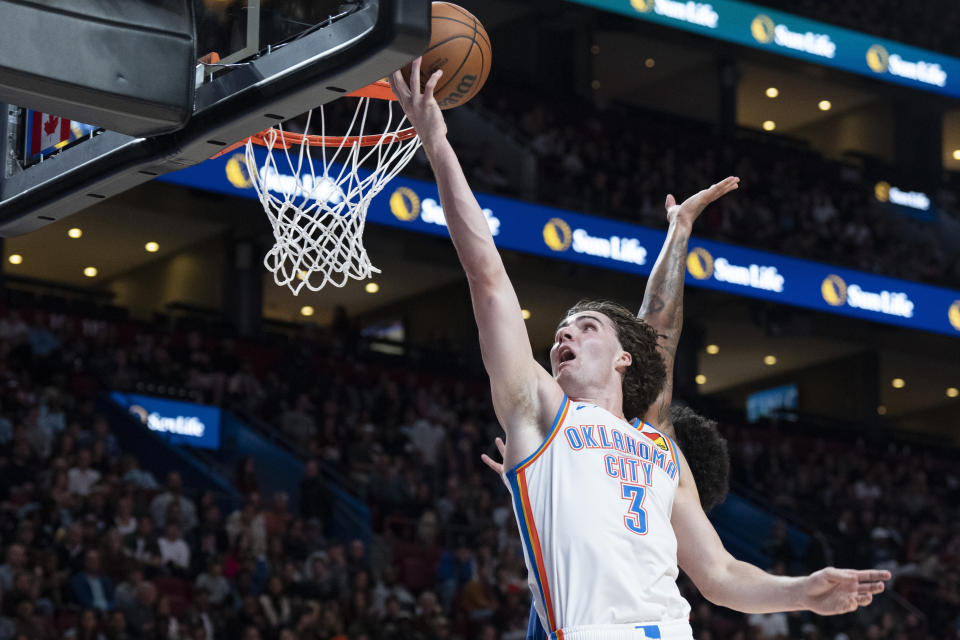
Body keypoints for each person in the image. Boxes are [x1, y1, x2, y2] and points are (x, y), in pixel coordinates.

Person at [389, 60, 890, 640]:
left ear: (624, 358)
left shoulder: (658, 446)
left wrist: (800, 591)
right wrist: (437, 141)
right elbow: (488, 277)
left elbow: (721, 574)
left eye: (586, 326)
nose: (563, 334)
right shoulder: (540, 413)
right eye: (561, 330)